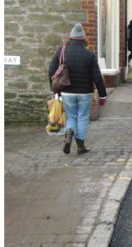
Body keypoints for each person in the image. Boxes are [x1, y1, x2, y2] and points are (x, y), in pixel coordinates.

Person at [48, 23, 108, 155]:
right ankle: (80, 147)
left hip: (67, 92)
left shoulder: (61, 51)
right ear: (83, 39)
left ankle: (69, 133)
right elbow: (97, 77)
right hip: (85, 93)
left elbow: (51, 72)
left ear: (70, 38)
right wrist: (103, 96)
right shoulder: (89, 55)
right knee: (82, 118)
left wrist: (55, 90)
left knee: (71, 117)